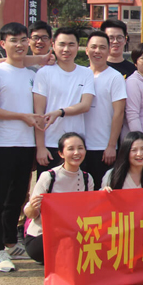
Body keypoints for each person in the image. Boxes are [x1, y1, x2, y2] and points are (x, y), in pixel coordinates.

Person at [0, 22, 44, 273]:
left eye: (22, 40)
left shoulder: (33, 73)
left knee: (16, 198)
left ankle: (9, 242)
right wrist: (21, 116)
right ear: (3, 43)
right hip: (4, 145)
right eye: (13, 40)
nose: (18, 45)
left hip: (27, 145)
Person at [32, 27, 95, 176]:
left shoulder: (86, 73)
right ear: (53, 45)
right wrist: (40, 147)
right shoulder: (44, 73)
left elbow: (85, 105)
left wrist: (60, 112)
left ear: (78, 46)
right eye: (62, 44)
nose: (66, 49)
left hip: (76, 147)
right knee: (49, 192)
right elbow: (38, 113)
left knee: (75, 193)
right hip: (51, 145)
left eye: (71, 44)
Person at [24, 133, 95, 264]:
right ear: (61, 153)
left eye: (80, 148)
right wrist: (32, 208)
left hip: (72, 235)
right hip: (42, 238)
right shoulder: (49, 177)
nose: (76, 153)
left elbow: (88, 213)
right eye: (70, 149)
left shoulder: (87, 178)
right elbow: (31, 213)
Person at [82, 30, 127, 187]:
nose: (97, 51)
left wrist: (111, 145)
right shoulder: (80, 74)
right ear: (86, 50)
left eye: (102, 47)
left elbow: (119, 113)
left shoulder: (115, 77)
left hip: (102, 147)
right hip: (79, 146)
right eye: (93, 47)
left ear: (108, 51)